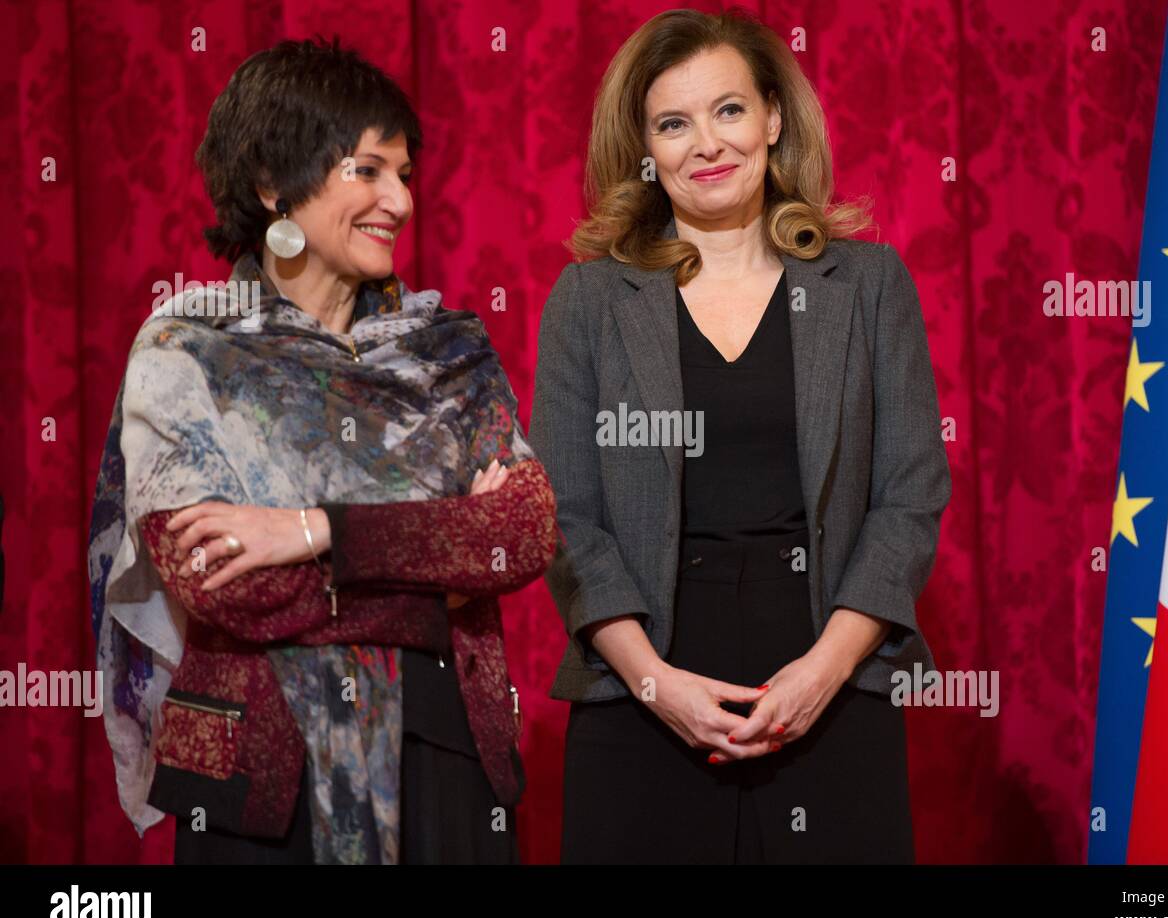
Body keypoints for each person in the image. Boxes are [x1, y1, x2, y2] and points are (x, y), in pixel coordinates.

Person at [87, 38, 556, 865]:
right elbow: (221, 586)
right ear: (274, 184)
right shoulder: (187, 348)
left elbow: (519, 530)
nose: (400, 200)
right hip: (259, 791)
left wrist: (313, 529)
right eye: (368, 170)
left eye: (405, 174)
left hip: (444, 766)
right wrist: (435, 576)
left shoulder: (448, 351)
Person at [530, 8, 951, 863]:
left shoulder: (868, 285)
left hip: (833, 703)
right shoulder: (589, 300)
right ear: (646, 149)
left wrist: (822, 673)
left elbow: (909, 497)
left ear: (772, 116)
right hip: (641, 706)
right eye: (673, 123)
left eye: (728, 110)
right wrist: (659, 685)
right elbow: (566, 518)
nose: (706, 144)